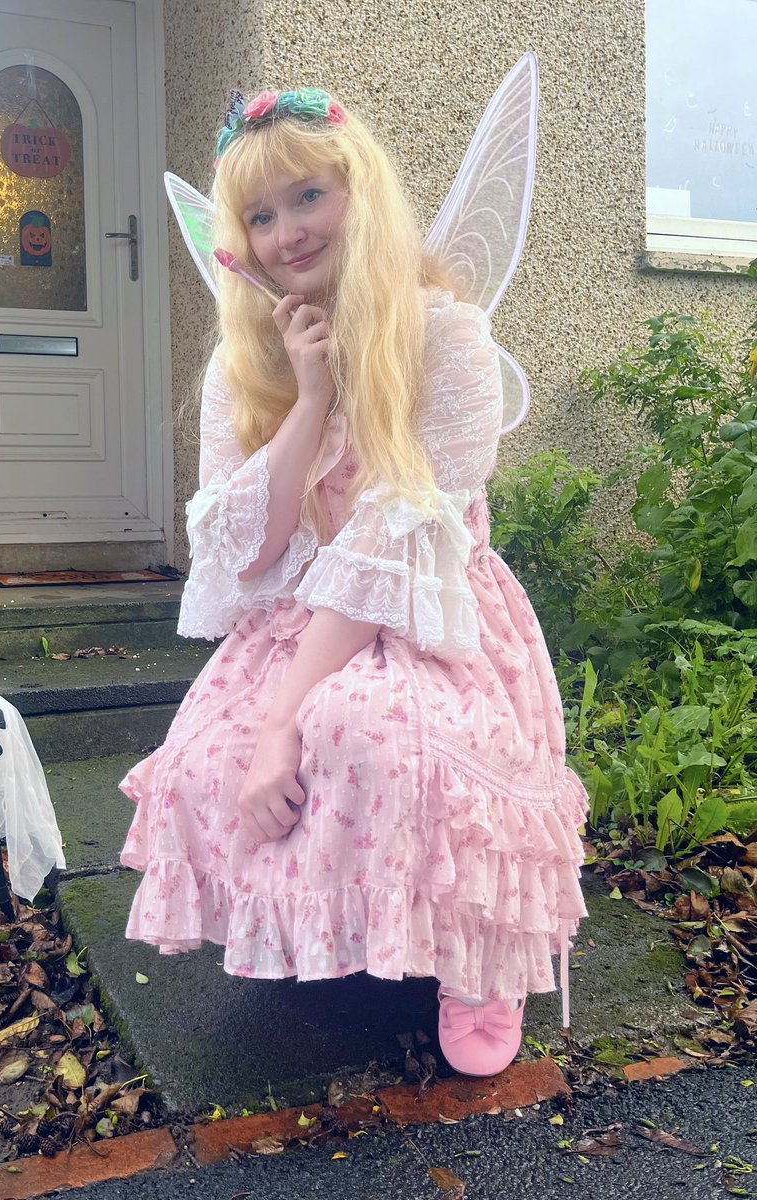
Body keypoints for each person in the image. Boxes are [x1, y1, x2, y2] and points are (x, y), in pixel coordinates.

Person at [119, 88, 588, 1078]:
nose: (287, 231)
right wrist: (311, 395)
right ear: (236, 237)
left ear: (356, 192)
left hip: (425, 607)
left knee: (367, 731)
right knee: (210, 759)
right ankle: (327, 925)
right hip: (301, 609)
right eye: (259, 214)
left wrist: (286, 714)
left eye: (307, 196)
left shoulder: (442, 336)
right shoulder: (243, 359)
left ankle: (478, 959)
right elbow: (246, 552)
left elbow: (391, 540)